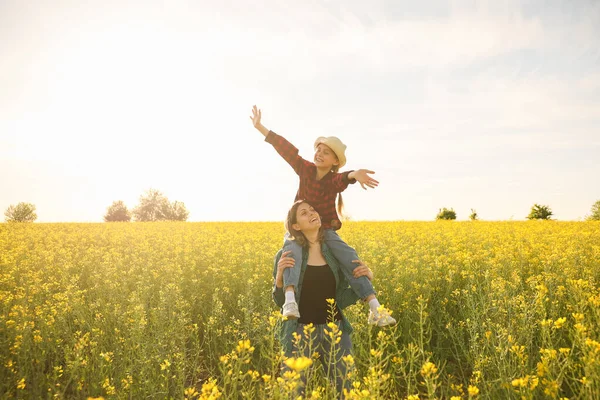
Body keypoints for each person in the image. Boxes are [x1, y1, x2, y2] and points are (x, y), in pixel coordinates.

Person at [252, 105, 395, 326]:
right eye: (318, 149)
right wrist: (261, 128)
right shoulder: (305, 169)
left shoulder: (332, 181)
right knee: (291, 252)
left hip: (325, 229)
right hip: (298, 228)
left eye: (326, 152)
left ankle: (375, 307)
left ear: (335, 162)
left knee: (349, 255)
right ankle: (290, 299)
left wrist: (354, 175)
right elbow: (287, 150)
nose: (319, 153)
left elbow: (341, 180)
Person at [273, 200, 376, 398]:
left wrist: (368, 276)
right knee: (294, 393)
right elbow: (280, 302)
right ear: (296, 226)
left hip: (335, 330)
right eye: (304, 213)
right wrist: (279, 279)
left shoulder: (334, 253)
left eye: (312, 209)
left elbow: (341, 299)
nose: (312, 212)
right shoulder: (286, 254)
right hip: (299, 332)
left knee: (346, 391)